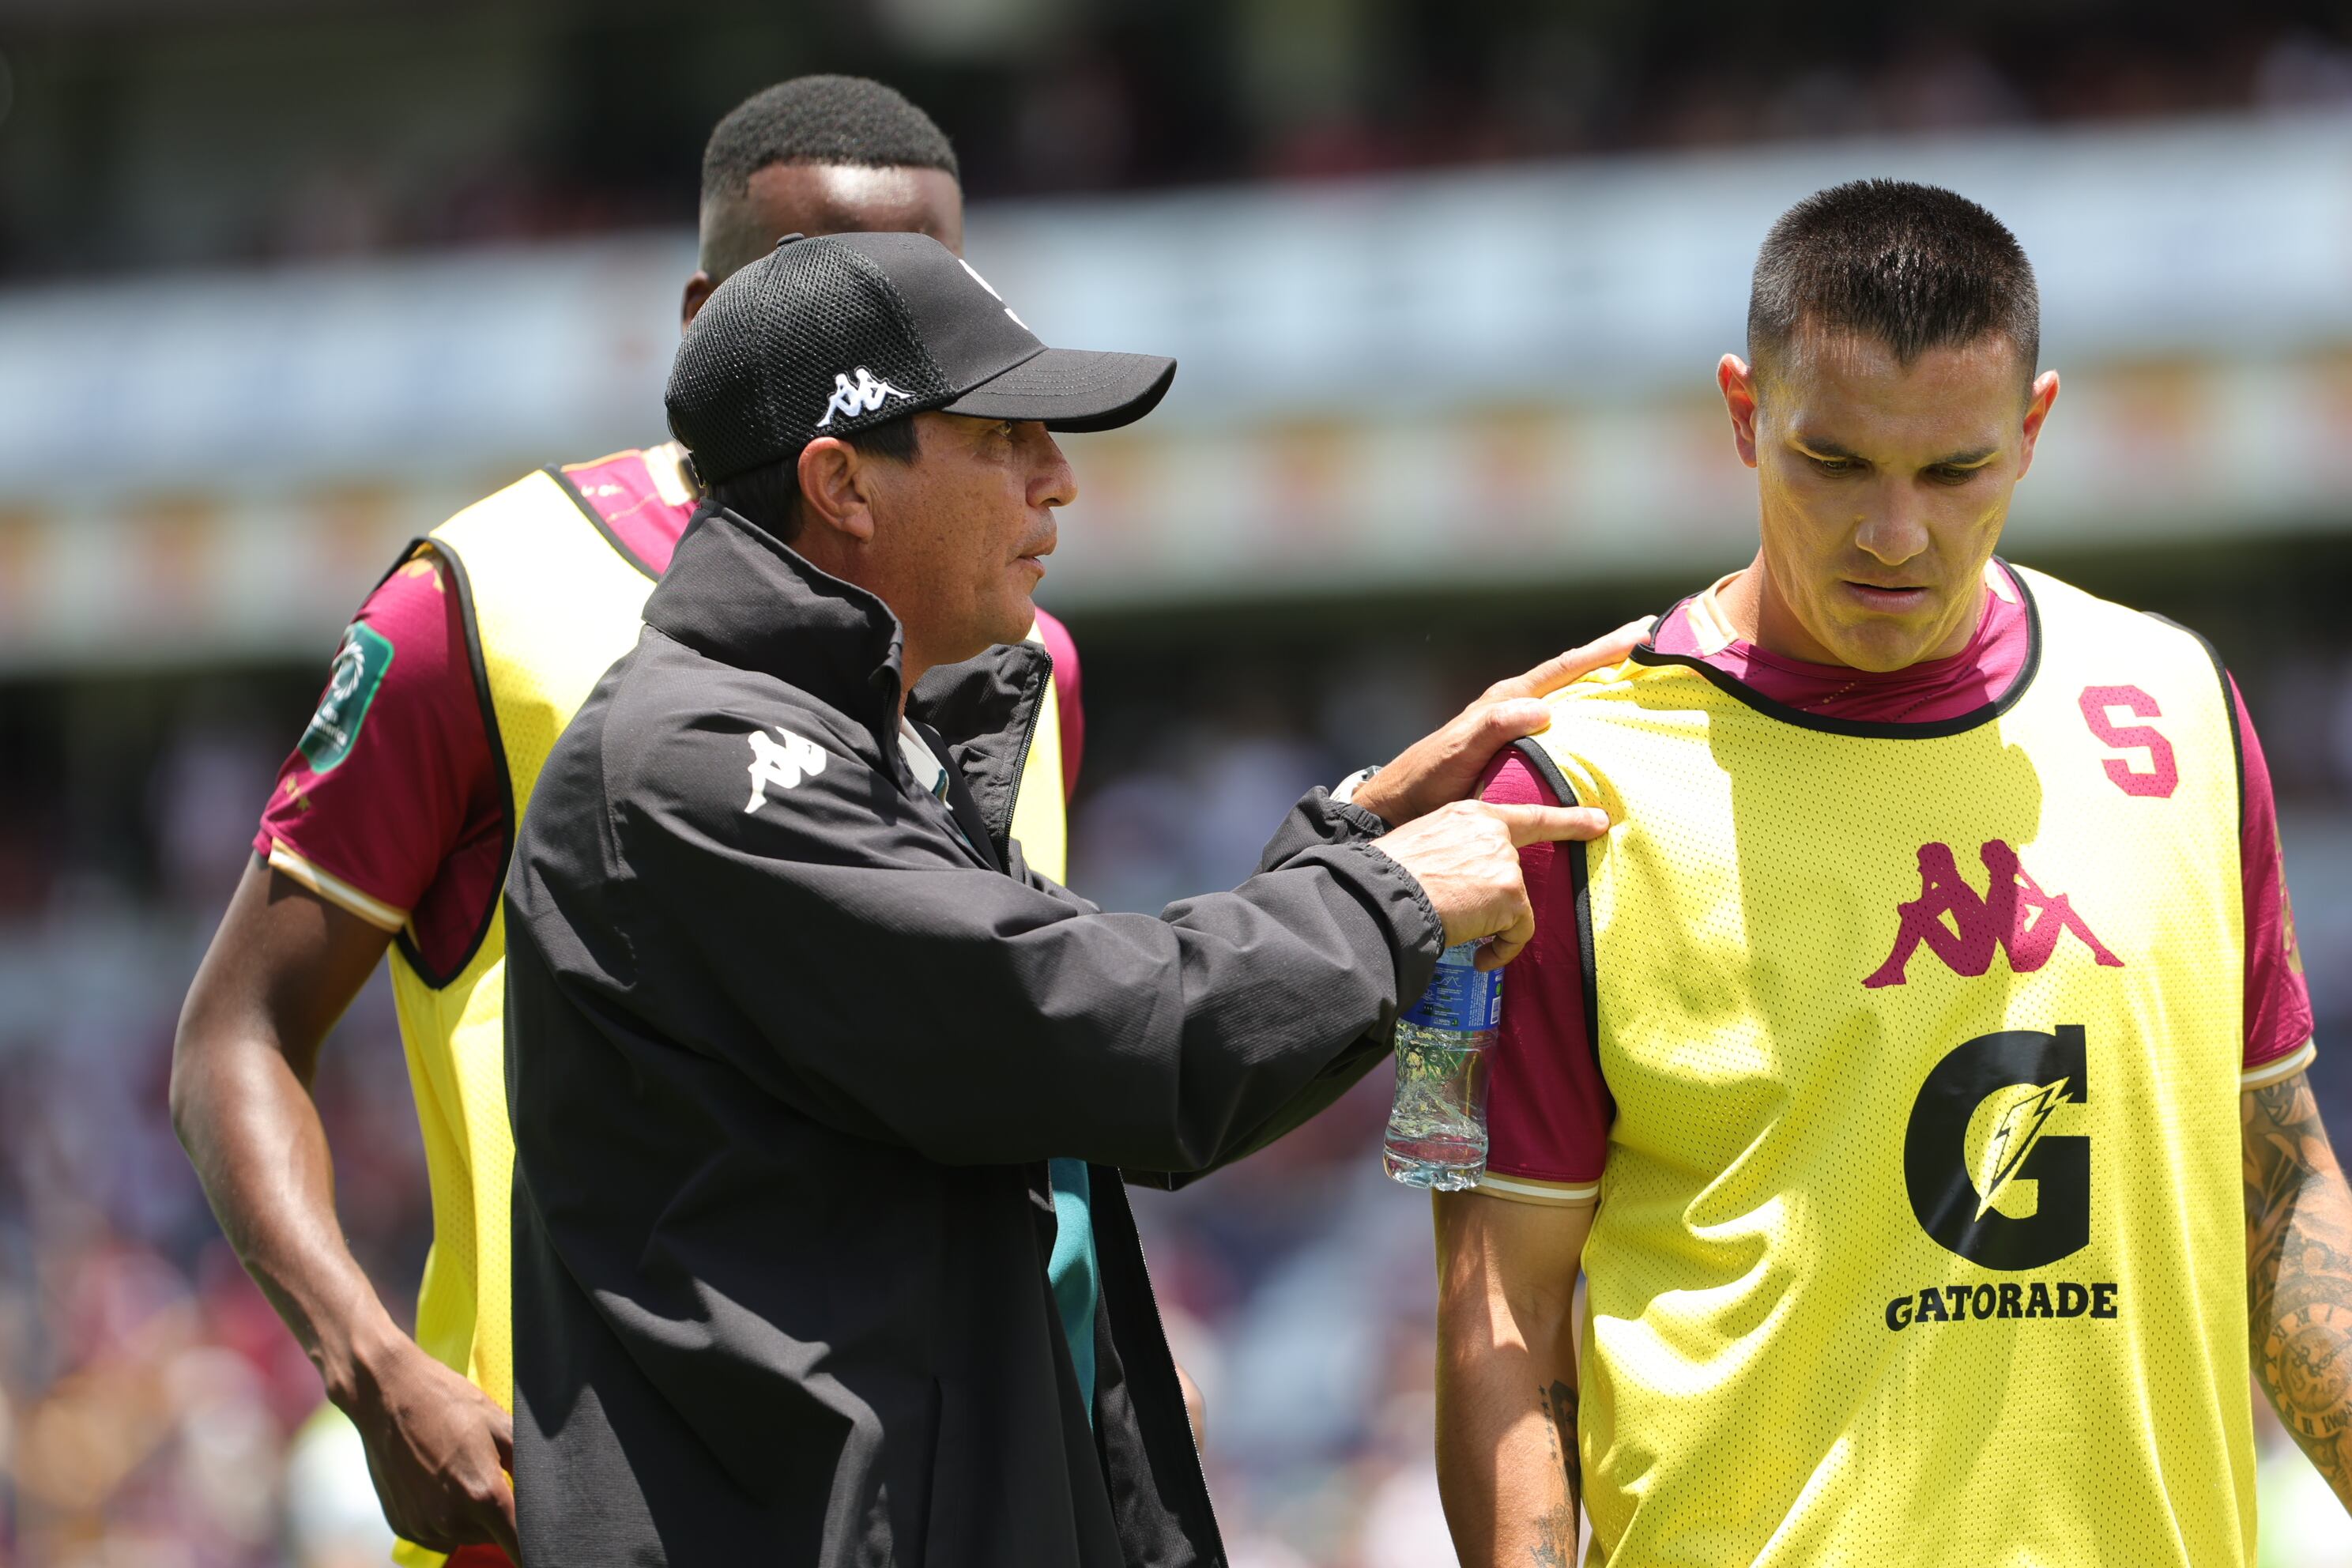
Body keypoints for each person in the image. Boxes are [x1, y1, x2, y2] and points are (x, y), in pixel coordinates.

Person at [503, 229, 1626, 1566]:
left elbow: (1092, 1034)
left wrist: (1362, 832)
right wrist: (1386, 895)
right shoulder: (705, 761)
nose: (1061, 478)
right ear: (842, 482)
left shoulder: (845, 738)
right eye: (1005, 436)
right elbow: (1090, 1033)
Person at [169, 77, 1066, 1567]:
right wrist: (373, 1370)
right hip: (576, 1506)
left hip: (936, 1502)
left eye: (933, 300)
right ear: (709, 318)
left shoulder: (1028, 655)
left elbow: (1029, 1055)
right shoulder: (482, 603)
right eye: (834, 298)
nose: (897, 347)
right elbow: (235, 1036)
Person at [1433, 179, 2337, 1568]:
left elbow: (2282, 1192)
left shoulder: (2180, 707)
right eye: (1837, 462)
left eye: (1955, 471)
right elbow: (1498, 1311)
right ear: (1745, 414)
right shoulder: (1558, 794)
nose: (1895, 534)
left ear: (2032, 430)